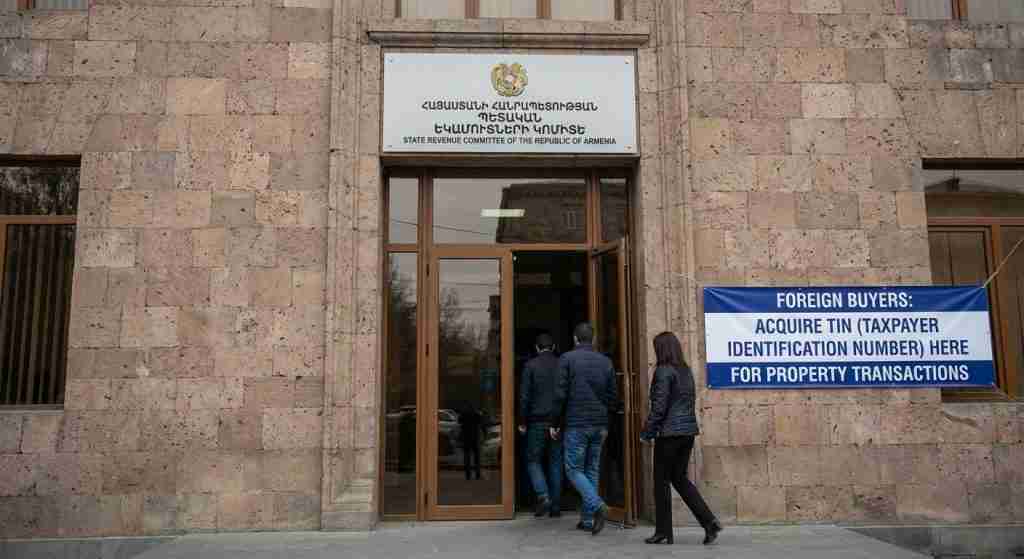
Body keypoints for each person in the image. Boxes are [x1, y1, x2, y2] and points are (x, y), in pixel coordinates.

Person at [640, 331, 722, 545]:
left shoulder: (663, 371)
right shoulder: (685, 371)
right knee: (680, 478)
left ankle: (663, 531)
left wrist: (647, 433)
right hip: (687, 432)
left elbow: (659, 407)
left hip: (669, 434)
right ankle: (709, 521)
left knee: (661, 482)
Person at [550, 323, 616, 535]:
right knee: (591, 469)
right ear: (593, 339)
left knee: (573, 469)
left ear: (575, 339)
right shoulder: (606, 362)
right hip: (600, 424)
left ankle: (597, 506)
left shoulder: (567, 359)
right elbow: (612, 396)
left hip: (577, 423)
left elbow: (560, 395)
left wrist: (555, 423)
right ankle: (587, 520)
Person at [518, 333, 562, 518]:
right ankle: (556, 507)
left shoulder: (530, 366)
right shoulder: (562, 364)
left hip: (536, 421)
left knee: (533, 460)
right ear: (553, 347)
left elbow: (524, 396)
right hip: (557, 423)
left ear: (536, 348)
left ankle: (543, 496)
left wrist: (522, 421)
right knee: (555, 463)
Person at [459, 403, 483, 480]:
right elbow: (481, 421)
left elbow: (459, 421)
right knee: (477, 458)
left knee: (467, 457)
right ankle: (477, 475)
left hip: (466, 438)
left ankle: (468, 475)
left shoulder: (464, 414)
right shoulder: (477, 414)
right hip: (475, 438)